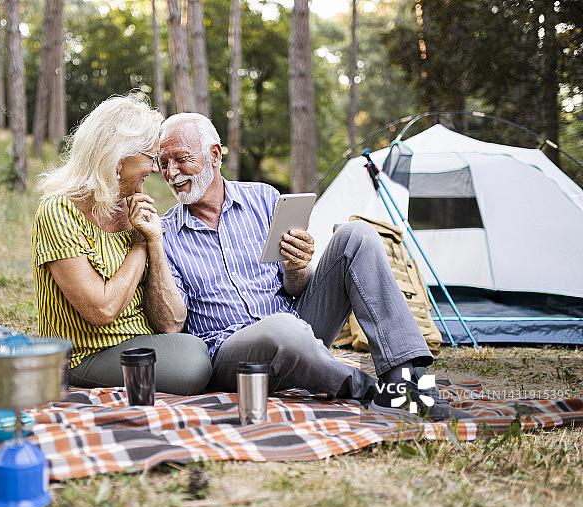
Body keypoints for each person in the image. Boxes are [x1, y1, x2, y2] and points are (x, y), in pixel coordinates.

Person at [157, 112, 468, 421]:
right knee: (281, 328)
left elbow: (296, 286)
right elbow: (172, 322)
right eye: (163, 164)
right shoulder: (165, 234)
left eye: (181, 159)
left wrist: (296, 266)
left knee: (356, 235)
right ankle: (371, 391)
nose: (171, 172)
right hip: (233, 356)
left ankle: (405, 378)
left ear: (214, 155)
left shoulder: (264, 199)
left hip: (299, 328)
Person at [32, 95, 212, 396]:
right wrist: (140, 245)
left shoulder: (132, 209)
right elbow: (101, 309)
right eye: (151, 157)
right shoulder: (58, 211)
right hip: (84, 354)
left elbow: (170, 320)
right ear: (118, 158)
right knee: (193, 362)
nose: (156, 168)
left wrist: (154, 240)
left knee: (198, 348)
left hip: (143, 342)